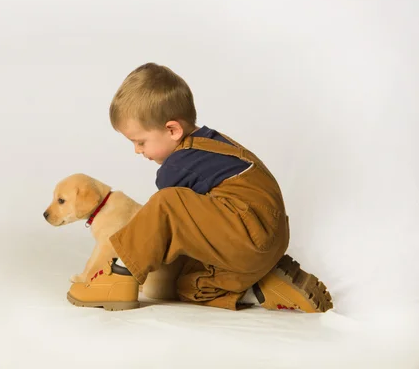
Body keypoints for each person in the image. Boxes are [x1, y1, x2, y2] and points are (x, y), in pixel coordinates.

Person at [67, 62, 333, 313]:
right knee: (189, 284)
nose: (138, 151)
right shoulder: (211, 143)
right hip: (269, 236)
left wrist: (137, 252)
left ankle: (120, 277)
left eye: (141, 142)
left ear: (172, 130)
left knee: (165, 206)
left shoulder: (175, 168)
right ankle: (262, 285)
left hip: (248, 231)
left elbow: (165, 227)